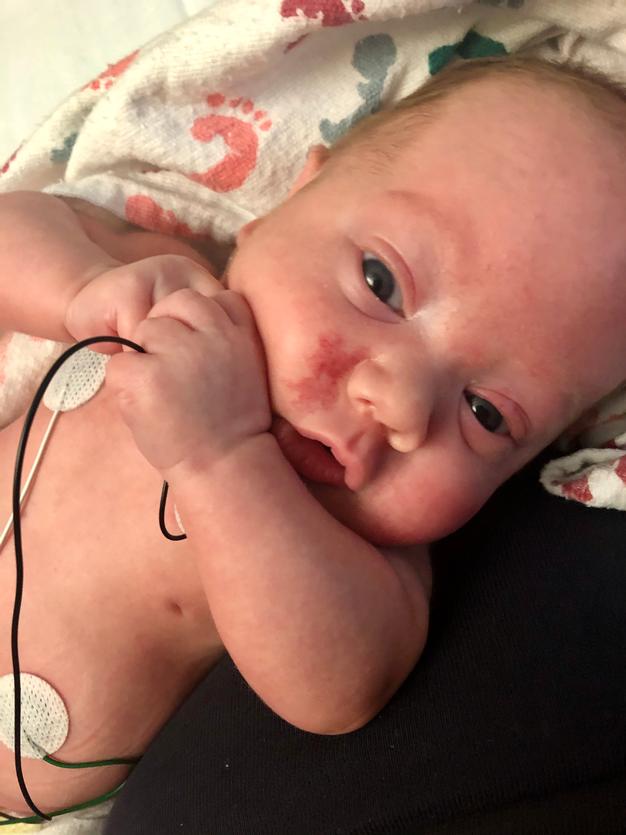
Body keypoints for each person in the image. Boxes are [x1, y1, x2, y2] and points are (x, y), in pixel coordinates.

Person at [0, 55, 624, 824]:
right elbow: (18, 225)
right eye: (381, 281)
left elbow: (334, 690)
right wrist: (78, 290)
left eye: (487, 412)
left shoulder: (369, 565)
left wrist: (220, 458)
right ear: (289, 200)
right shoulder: (168, 295)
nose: (396, 400)